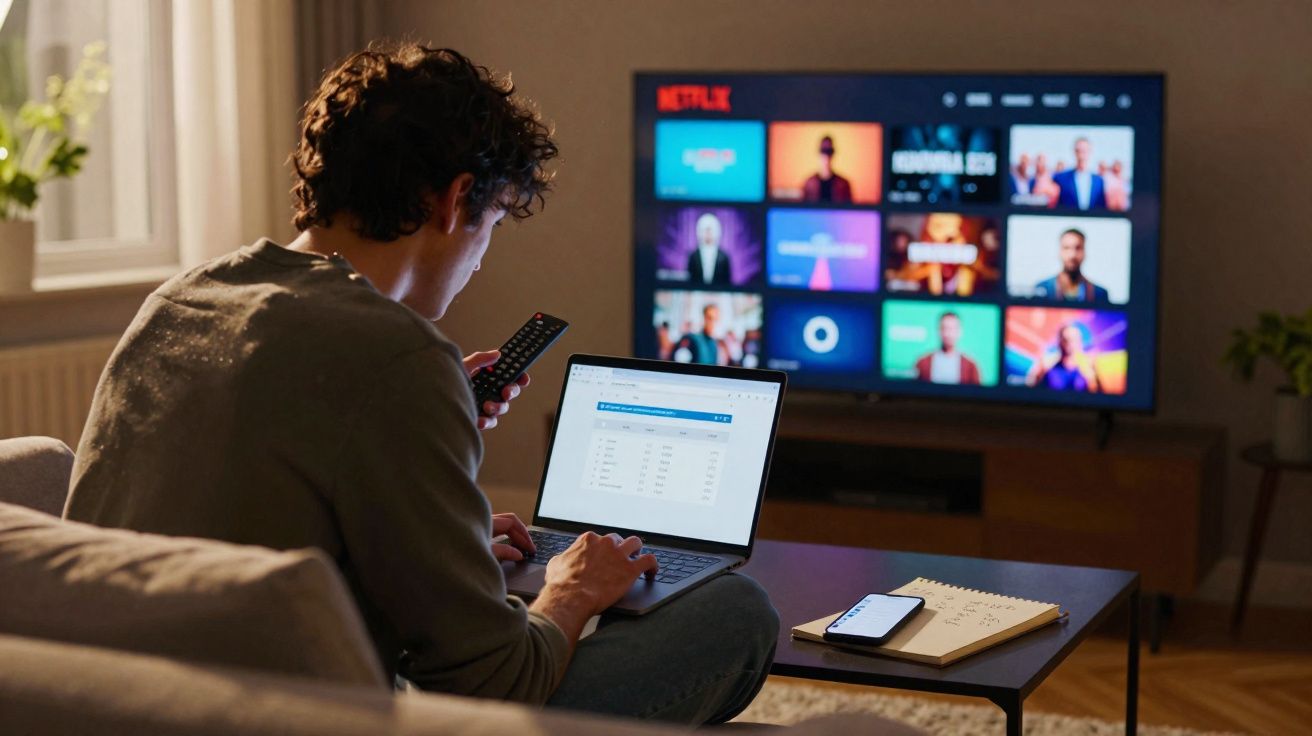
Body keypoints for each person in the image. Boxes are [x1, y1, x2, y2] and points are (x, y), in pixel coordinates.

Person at [62, 44, 777, 725]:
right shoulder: (395, 355)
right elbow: (496, 683)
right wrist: (570, 592)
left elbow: (270, 488)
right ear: (455, 199)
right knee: (735, 613)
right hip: (301, 716)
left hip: (114, 701)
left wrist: (445, 534)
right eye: (492, 221)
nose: (481, 258)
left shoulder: (182, 298)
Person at [1033, 228, 1110, 303]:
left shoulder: (1100, 294)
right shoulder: (1042, 289)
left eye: (1078, 248)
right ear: (1059, 252)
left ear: (1084, 252)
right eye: (1066, 248)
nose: (1072, 255)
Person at [1027, 323, 1102, 392]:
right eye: (1066, 339)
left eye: (1073, 339)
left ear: (1080, 343)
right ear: (1059, 342)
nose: (1069, 343)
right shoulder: (1048, 368)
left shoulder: (1089, 370)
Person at [914, 312, 982, 385]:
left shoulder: (970, 366)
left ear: (959, 331)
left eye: (952, 329)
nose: (948, 333)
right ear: (939, 331)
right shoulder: (923, 363)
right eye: (944, 328)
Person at [671, 303, 736, 366]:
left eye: (715, 319)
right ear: (704, 318)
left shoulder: (717, 343)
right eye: (709, 318)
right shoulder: (692, 339)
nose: (712, 323)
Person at [1052, 137, 1107, 210]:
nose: (1081, 155)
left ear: (1090, 152)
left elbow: (1102, 207)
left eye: (1084, 151)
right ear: (1074, 152)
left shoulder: (1099, 181)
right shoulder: (1061, 178)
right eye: (1078, 151)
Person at [684, 212, 732, 285]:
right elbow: (689, 280)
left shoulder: (724, 257)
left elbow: (727, 282)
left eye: (710, 230)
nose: (708, 234)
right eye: (705, 230)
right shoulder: (693, 256)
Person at [801, 135, 853, 203]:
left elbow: (849, 211)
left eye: (829, 151)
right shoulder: (809, 184)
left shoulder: (843, 185)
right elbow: (802, 210)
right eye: (823, 151)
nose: (826, 156)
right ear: (819, 153)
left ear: (833, 153)